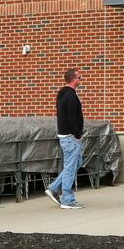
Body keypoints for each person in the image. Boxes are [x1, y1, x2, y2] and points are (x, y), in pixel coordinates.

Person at [45, 68, 85, 209]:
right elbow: (73, 117)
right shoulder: (70, 96)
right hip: (70, 137)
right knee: (70, 167)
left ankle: (53, 188)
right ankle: (67, 200)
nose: (81, 79)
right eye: (79, 77)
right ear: (73, 79)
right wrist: (77, 134)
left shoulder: (64, 94)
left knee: (76, 163)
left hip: (67, 136)